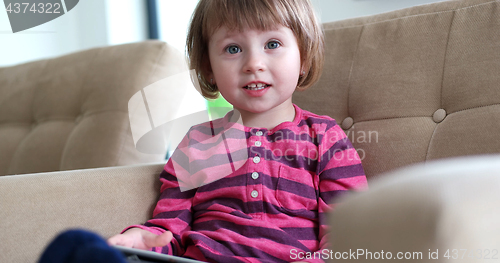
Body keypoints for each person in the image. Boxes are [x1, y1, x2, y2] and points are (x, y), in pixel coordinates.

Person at [108, 0, 368, 262]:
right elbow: (169, 228)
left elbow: (349, 233)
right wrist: (142, 239)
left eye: (272, 44)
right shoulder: (197, 141)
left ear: (304, 58)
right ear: (209, 69)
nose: (253, 63)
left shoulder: (325, 137)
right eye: (233, 48)